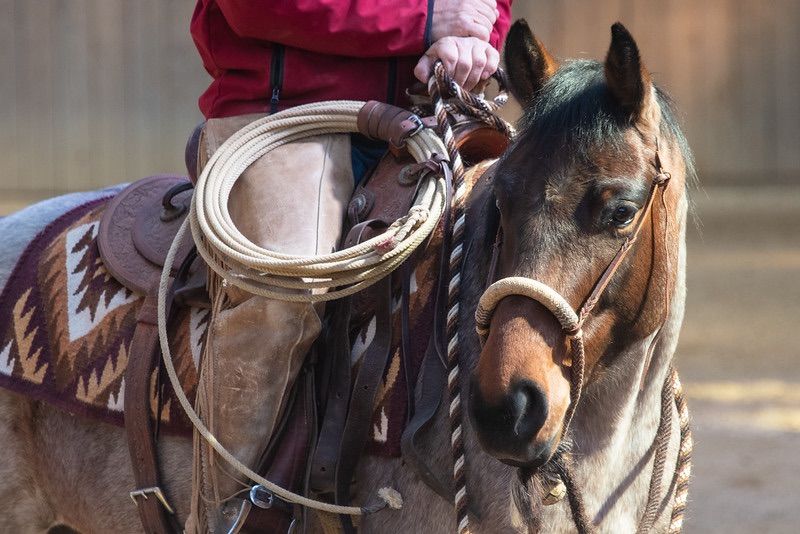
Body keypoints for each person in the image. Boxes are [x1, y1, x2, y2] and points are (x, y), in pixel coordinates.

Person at [189, 1, 512, 530]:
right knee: (289, 290)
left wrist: (475, 40)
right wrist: (425, 20)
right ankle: (228, 513)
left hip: (428, 116)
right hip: (286, 118)